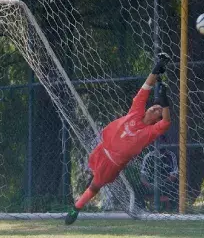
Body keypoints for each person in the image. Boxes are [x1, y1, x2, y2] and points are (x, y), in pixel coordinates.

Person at [65, 53, 171, 225]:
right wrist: (157, 67)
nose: (155, 108)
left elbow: (166, 122)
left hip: (113, 163)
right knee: (90, 176)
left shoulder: (150, 132)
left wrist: (165, 100)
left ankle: (76, 208)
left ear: (157, 119)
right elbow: (145, 88)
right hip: (102, 151)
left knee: (94, 186)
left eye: (158, 110)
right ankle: (78, 203)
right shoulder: (136, 112)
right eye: (155, 106)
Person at [140, 140, 178, 210]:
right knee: (139, 189)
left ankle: (168, 209)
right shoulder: (148, 156)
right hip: (151, 183)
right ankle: (147, 207)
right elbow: (143, 176)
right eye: (158, 143)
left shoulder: (171, 156)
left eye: (162, 142)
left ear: (166, 144)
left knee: (175, 189)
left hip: (166, 183)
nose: (160, 145)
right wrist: (148, 184)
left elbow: (174, 176)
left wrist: (161, 183)